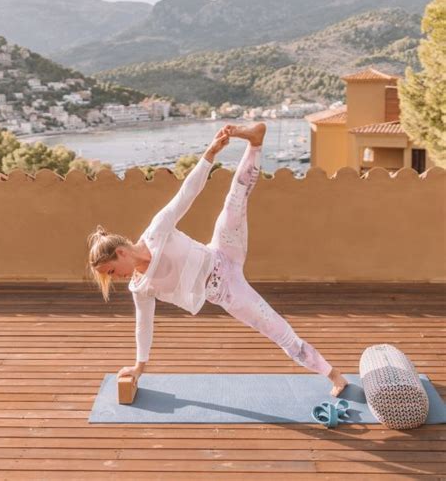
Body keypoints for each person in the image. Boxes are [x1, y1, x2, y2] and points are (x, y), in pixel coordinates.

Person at [87, 123, 348, 397]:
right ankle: (335, 375)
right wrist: (139, 367)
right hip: (227, 292)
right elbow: (144, 325)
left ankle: (254, 142)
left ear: (121, 253)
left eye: (112, 271)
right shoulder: (140, 288)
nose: (116, 278)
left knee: (234, 201)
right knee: (279, 332)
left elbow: (186, 193)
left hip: (223, 250)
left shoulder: (156, 232)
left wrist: (210, 154)